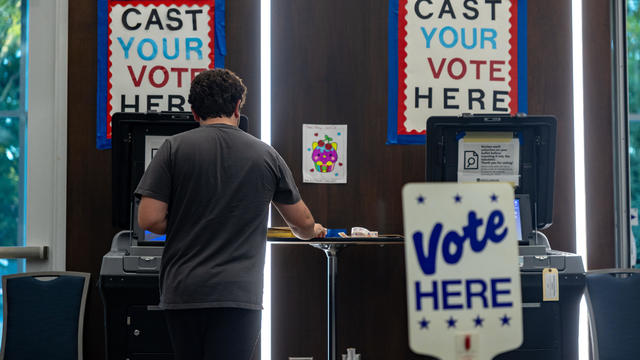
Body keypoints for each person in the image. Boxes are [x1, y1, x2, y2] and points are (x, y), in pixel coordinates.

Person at [135, 68, 326, 360]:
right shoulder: (266, 155)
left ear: (194, 111)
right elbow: (302, 226)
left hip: (184, 291)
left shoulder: (173, 148)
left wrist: (192, 218)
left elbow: (149, 220)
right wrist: (314, 230)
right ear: (238, 106)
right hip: (239, 294)